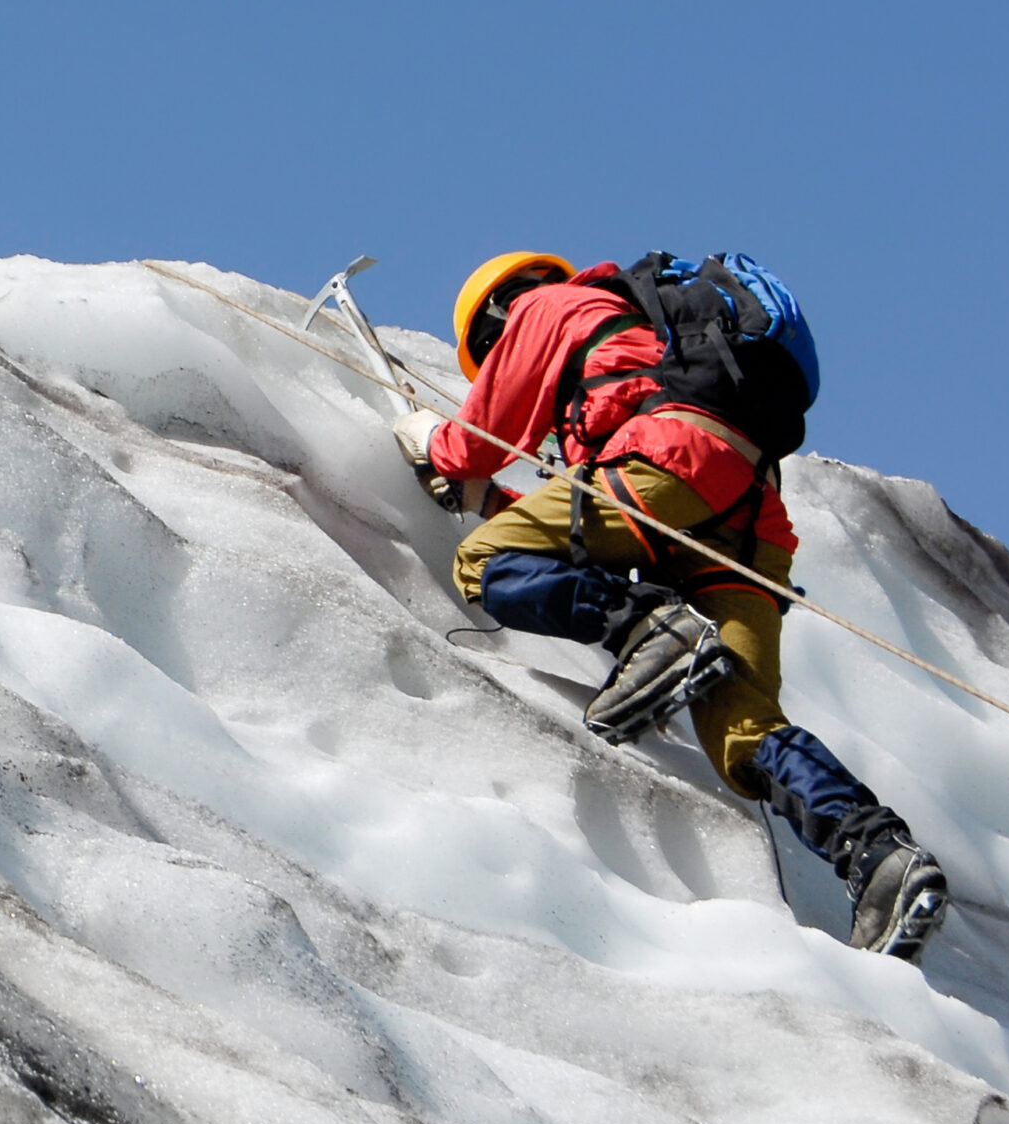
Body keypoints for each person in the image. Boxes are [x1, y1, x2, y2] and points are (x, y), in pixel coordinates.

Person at [393, 251, 950, 963]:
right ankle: (878, 855)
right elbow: (587, 529)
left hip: (668, 466)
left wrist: (433, 448)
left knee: (484, 563)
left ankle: (653, 634)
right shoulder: (649, 344)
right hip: (746, 519)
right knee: (742, 727)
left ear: (498, 313)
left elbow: (474, 446)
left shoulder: (548, 308)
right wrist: (497, 500)